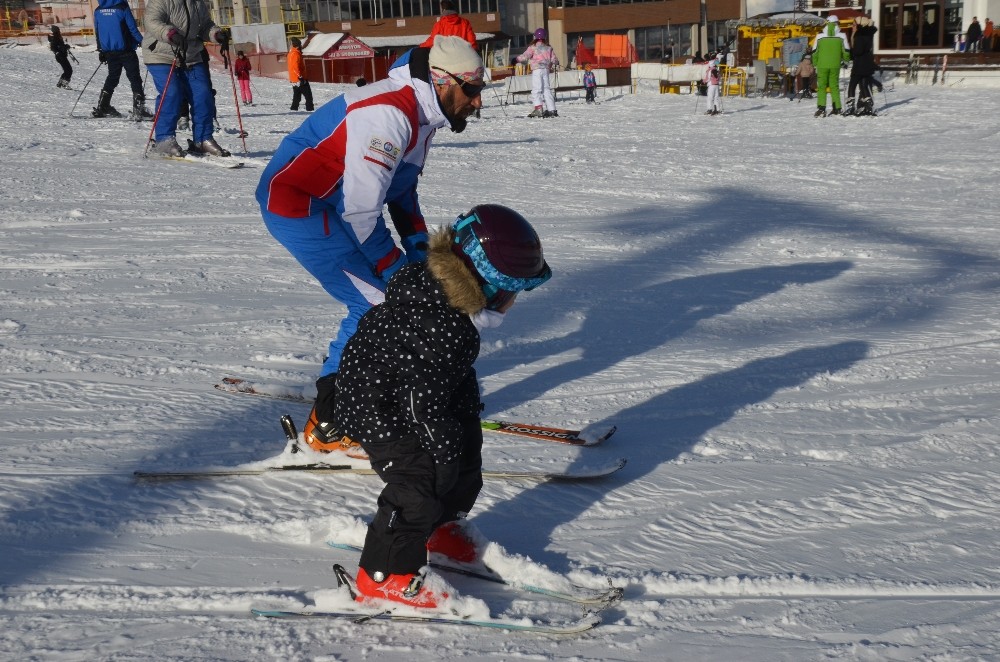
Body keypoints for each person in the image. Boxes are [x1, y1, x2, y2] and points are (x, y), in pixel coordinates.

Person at [255, 35, 485, 457]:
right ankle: (327, 423)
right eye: (472, 90)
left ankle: (380, 392)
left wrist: (423, 258)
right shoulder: (390, 115)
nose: (477, 102)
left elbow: (401, 194)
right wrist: (396, 271)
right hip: (297, 204)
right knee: (376, 302)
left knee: (398, 295)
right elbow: (361, 213)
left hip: (333, 205)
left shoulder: (423, 115)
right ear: (444, 81)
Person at [337, 204, 551, 608]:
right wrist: (441, 442)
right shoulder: (448, 327)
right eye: (511, 293)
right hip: (378, 407)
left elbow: (444, 376)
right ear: (488, 287)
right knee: (418, 482)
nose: (513, 304)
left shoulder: (444, 303)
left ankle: (439, 528)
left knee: (465, 461)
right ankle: (384, 574)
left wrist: (464, 420)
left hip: (406, 397)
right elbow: (420, 401)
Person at [142, 0, 231, 158]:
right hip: (161, 54)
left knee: (203, 94)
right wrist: (171, 34)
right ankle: (164, 140)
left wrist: (216, 34)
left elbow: (204, 25)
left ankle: (202, 140)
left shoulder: (197, 3)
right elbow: (151, 21)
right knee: (172, 93)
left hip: (190, 55)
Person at [92, 0, 150, 120]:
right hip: (126, 50)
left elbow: (97, 31)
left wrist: (100, 49)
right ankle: (139, 109)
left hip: (109, 51)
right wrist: (143, 43)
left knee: (112, 77)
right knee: (134, 78)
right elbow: (132, 28)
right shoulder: (122, 7)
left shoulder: (98, 10)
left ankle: (103, 105)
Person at [812, 15, 851, 117]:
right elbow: (846, 51)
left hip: (822, 65)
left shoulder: (819, 37)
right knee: (834, 86)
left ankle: (821, 109)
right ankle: (837, 108)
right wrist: (845, 61)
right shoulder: (842, 36)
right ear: (837, 23)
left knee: (822, 87)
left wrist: (815, 63)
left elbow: (814, 52)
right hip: (835, 65)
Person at [515, 28, 560, 118]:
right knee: (546, 89)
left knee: (537, 89)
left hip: (537, 69)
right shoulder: (548, 48)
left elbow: (525, 56)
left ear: (535, 36)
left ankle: (538, 108)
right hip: (546, 70)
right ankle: (552, 109)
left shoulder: (533, 47)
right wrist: (556, 62)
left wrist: (516, 59)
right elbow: (554, 60)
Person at [846, 16, 879, 116]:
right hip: (867, 63)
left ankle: (851, 107)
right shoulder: (868, 34)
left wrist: (852, 52)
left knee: (852, 85)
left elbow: (858, 51)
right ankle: (868, 106)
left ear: (860, 25)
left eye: (854, 24)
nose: (853, 26)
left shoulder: (859, 36)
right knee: (864, 85)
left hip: (859, 64)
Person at [287, 37, 314, 112]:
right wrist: (300, 77)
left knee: (297, 96)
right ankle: (310, 110)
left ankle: (293, 109)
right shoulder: (296, 54)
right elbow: (295, 67)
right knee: (308, 96)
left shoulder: (290, 54)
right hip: (299, 79)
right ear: (298, 46)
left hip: (293, 79)